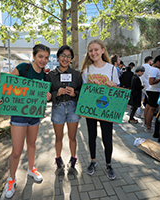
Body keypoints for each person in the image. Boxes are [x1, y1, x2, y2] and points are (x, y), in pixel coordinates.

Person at [0, 44, 52, 199]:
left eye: (46, 57)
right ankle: (11, 179)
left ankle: (31, 168)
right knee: (16, 151)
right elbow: (5, 83)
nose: (43, 60)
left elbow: (46, 93)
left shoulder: (45, 74)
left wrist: (47, 96)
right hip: (18, 116)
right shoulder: (23, 68)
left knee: (32, 144)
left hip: (34, 116)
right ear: (34, 55)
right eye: (40, 56)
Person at [81, 39, 120, 180]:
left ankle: (109, 164)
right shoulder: (87, 70)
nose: (93, 53)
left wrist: (113, 85)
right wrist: (90, 85)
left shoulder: (111, 69)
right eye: (90, 50)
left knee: (107, 138)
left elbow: (118, 90)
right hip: (91, 108)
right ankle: (93, 161)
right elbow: (84, 91)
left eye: (96, 49)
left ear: (103, 50)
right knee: (91, 136)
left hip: (106, 108)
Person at [44, 45, 83, 174]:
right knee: (58, 138)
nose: (65, 59)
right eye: (63, 55)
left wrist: (74, 94)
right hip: (58, 108)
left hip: (72, 108)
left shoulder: (76, 74)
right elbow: (47, 96)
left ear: (71, 59)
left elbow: (82, 93)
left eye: (68, 56)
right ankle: (58, 160)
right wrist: (56, 94)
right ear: (58, 57)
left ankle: (73, 159)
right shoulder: (50, 75)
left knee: (73, 137)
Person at [144, 55, 160, 133]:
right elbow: (151, 82)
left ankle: (147, 124)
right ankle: (148, 126)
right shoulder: (154, 70)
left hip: (152, 90)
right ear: (158, 62)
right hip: (154, 91)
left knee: (148, 107)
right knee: (152, 109)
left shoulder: (155, 69)